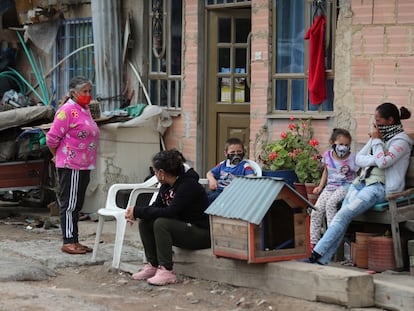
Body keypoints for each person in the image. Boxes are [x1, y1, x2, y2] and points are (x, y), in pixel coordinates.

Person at [307, 102, 412, 265]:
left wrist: (376, 143)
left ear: (390, 120)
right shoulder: (379, 136)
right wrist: (377, 156)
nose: (375, 124)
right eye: (374, 120)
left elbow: (384, 163)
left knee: (342, 215)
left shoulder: (401, 141)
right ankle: (323, 259)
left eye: (378, 121)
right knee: (343, 217)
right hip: (359, 183)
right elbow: (358, 158)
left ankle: (316, 253)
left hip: (378, 188)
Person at [125, 149, 211, 286]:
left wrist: (138, 211)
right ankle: (153, 265)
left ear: (162, 173)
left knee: (161, 223)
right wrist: (137, 213)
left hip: (200, 233)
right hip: (183, 228)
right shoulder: (166, 186)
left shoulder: (188, 185)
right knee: (146, 222)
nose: (154, 174)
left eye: (155, 171)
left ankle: (166, 271)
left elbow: (171, 212)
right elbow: (156, 206)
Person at [46, 76, 99, 255]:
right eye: (84, 91)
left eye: (89, 91)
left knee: (77, 204)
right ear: (74, 93)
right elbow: (51, 138)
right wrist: (58, 157)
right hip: (71, 164)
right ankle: (68, 241)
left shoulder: (84, 109)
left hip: (84, 164)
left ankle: (75, 240)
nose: (88, 95)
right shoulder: (67, 111)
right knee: (69, 204)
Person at [310, 128, 359, 248]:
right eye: (341, 144)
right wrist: (320, 186)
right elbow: (326, 171)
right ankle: (313, 242)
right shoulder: (327, 156)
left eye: (347, 145)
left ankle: (331, 238)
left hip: (346, 185)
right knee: (316, 210)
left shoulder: (353, 158)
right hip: (330, 186)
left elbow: (360, 173)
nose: (344, 147)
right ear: (332, 143)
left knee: (331, 204)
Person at [206, 137, 255, 204]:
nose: (236, 154)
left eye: (239, 151)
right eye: (232, 152)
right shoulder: (223, 164)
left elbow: (251, 178)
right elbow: (209, 173)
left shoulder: (245, 166)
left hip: (230, 195)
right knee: (200, 196)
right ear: (226, 153)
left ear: (243, 152)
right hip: (217, 190)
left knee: (207, 200)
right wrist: (212, 180)